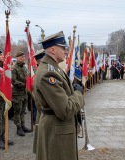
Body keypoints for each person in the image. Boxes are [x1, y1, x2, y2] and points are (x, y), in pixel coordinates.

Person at [33, 31, 85, 160]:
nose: (66, 51)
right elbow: (65, 110)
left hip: (58, 130)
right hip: (56, 132)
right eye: (63, 48)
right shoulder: (48, 74)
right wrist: (78, 94)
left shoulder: (53, 68)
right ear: (53, 49)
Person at [12, 51, 32, 136]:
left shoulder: (24, 68)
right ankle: (18, 127)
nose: (23, 58)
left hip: (24, 93)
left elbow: (28, 77)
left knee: (23, 111)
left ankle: (23, 125)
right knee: (18, 111)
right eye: (21, 57)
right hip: (17, 94)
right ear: (17, 58)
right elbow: (13, 81)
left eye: (24, 57)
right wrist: (24, 85)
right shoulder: (14, 68)